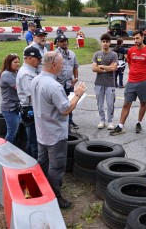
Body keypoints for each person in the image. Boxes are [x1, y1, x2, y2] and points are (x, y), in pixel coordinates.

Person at [30, 51, 86, 209]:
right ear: (54, 65)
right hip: (55, 133)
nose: (64, 67)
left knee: (42, 161)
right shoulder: (54, 85)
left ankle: (40, 189)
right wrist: (77, 94)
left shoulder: (36, 80)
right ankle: (55, 196)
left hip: (41, 130)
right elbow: (66, 109)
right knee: (56, 166)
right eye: (62, 64)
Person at [110, 30, 146, 136]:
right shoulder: (130, 51)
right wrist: (133, 74)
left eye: (137, 38)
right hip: (131, 81)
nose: (135, 40)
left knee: (143, 103)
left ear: (143, 37)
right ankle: (120, 126)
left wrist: (144, 75)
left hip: (143, 81)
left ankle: (139, 122)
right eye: (134, 39)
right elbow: (130, 63)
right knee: (126, 104)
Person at [16, 47, 42, 160]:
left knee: (32, 141)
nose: (40, 61)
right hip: (30, 109)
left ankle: (27, 162)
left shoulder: (31, 71)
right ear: (30, 58)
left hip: (31, 108)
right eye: (38, 59)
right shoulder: (26, 74)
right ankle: (37, 167)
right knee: (34, 142)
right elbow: (32, 94)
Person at [92, 33, 118, 130]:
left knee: (110, 103)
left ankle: (110, 121)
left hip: (110, 83)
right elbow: (94, 68)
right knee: (100, 103)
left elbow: (114, 68)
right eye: (103, 42)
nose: (105, 43)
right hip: (99, 83)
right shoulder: (97, 54)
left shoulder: (114, 54)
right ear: (101, 43)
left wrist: (101, 66)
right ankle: (102, 120)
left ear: (110, 43)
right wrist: (106, 69)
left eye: (107, 42)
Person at [55, 34, 80, 129]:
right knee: (59, 103)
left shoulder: (72, 54)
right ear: (57, 43)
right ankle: (59, 121)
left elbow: (75, 67)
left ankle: (70, 120)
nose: (64, 42)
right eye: (62, 41)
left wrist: (76, 78)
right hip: (58, 84)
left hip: (69, 83)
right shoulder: (55, 54)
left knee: (70, 102)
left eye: (65, 40)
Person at [0, 54, 21, 145]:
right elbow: (20, 89)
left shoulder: (15, 72)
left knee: (15, 131)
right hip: (9, 108)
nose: (18, 64)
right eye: (15, 62)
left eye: (18, 62)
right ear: (9, 63)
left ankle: (12, 149)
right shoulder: (6, 74)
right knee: (12, 133)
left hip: (16, 107)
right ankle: (5, 151)